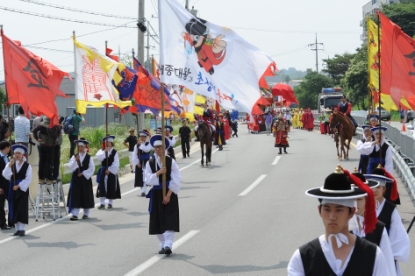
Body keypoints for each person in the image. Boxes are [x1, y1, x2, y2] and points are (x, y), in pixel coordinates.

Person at [287, 166, 388, 275]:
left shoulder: (372, 254)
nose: (332, 216)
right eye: (327, 209)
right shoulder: (303, 257)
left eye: (339, 210)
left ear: (351, 212)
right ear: (319, 210)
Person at [348, 169, 397, 276]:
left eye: (359, 199)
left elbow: (387, 264)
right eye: (351, 200)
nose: (355, 204)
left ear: (367, 200)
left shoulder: (378, 228)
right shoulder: (340, 228)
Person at [364, 170, 410, 276]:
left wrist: (391, 254)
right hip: (366, 252)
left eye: (378, 187)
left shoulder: (390, 209)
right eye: (372, 186)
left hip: (386, 252)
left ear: (384, 189)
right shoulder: (364, 207)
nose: (374, 190)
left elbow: (399, 235)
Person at [144, 134, 181, 255]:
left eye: (160, 147)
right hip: (156, 194)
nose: (158, 150)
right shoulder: (150, 162)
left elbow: (176, 179)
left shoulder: (170, 161)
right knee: (157, 219)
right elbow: (148, 179)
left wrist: (169, 195)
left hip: (169, 192)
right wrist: (159, 173)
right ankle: (163, 243)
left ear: (164, 148)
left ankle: (168, 244)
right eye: (156, 148)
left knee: (169, 218)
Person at [3, 144, 32, 237]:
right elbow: (5, 175)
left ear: (22, 155)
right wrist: (9, 166)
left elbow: (28, 179)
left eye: (19, 153)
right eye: (16, 153)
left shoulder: (27, 166)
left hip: (22, 189)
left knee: (22, 208)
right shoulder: (11, 163)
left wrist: (19, 186)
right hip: (13, 188)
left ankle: (22, 229)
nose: (17, 155)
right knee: (14, 207)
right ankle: (17, 229)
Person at [67, 139, 95, 221]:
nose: (80, 148)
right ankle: (75, 214)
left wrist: (83, 173)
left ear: (85, 147)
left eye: (82, 146)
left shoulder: (89, 157)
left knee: (86, 195)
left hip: (85, 179)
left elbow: (91, 168)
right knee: (76, 195)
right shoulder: (75, 156)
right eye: (79, 146)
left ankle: (86, 213)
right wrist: (76, 161)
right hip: (76, 178)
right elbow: (70, 166)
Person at [96, 135, 121, 209]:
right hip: (103, 170)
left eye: (109, 142)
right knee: (102, 186)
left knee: (111, 186)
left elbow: (116, 163)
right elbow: (98, 158)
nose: (107, 144)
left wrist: (110, 170)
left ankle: (110, 203)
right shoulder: (102, 150)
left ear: (112, 143)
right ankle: (102, 203)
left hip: (111, 171)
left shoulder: (114, 152)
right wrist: (104, 152)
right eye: (106, 142)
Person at [33, 117, 59, 183]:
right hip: (50, 146)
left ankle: (41, 178)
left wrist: (37, 138)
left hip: (42, 145)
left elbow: (34, 130)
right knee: (49, 162)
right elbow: (55, 136)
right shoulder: (52, 126)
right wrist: (59, 128)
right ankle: (49, 178)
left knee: (42, 162)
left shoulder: (41, 124)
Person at [133, 130, 152, 196]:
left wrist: (141, 145)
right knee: (141, 176)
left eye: (143, 137)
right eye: (141, 137)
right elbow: (135, 154)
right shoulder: (137, 145)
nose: (142, 138)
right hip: (140, 161)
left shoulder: (148, 143)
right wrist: (137, 162)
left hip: (147, 161)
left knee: (146, 175)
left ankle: (144, 189)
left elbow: (147, 149)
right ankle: (143, 190)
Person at [0, 141, 11, 230]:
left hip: (8, 184)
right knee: (1, 205)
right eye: (9, 147)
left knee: (11, 201)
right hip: (1, 185)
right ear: (6, 147)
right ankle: (2, 223)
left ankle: (11, 221)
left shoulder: (7, 157)